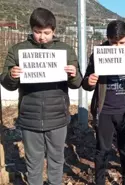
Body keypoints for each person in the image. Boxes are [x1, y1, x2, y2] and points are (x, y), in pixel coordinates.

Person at [0, 8, 82, 185]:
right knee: (33, 162)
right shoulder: (18, 50)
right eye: (37, 32)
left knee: (56, 160)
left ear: (54, 30)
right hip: (30, 118)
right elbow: (6, 83)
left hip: (58, 117)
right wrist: (11, 76)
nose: (42, 37)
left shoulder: (65, 50)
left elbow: (76, 83)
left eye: (46, 33)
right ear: (31, 29)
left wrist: (74, 74)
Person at [82, 20, 125, 185]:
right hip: (105, 110)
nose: (117, 47)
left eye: (122, 43)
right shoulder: (98, 54)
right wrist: (89, 82)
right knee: (102, 150)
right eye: (113, 43)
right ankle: (99, 181)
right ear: (107, 39)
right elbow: (86, 82)